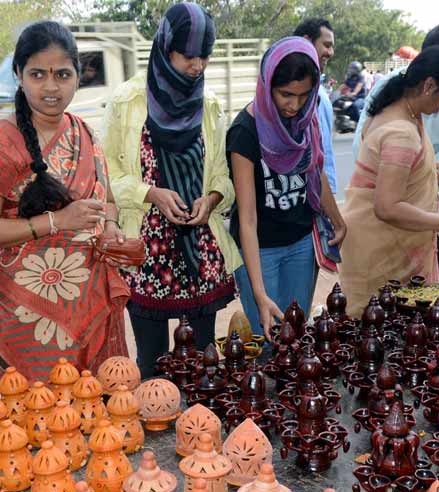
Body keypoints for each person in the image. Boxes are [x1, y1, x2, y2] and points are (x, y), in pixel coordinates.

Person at [0, 21, 130, 381]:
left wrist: (112, 227)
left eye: (62, 74)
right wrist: (58, 222)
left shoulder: (83, 131)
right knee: (41, 421)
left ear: (77, 76)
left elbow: (108, 201)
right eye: (38, 74)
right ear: (19, 75)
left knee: (103, 416)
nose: (51, 87)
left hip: (92, 303)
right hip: (30, 315)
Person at [101, 2, 238, 378]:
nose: (198, 66)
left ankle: (204, 428)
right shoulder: (129, 101)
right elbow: (105, 170)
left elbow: (223, 177)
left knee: (203, 362)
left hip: (200, 249)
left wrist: (211, 200)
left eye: (204, 57)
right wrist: (151, 194)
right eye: (189, 56)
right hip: (148, 253)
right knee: (153, 367)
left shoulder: (208, 105)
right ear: (165, 49)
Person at [339, 46, 439, 317]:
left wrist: (426, 169)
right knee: (383, 331)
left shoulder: (400, 113)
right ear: (429, 85)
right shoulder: (401, 132)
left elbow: (385, 168)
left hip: (379, 243)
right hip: (382, 252)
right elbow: (388, 207)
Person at [227, 37, 347, 339]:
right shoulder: (244, 132)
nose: (294, 105)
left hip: (301, 245)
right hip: (260, 251)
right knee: (266, 337)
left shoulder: (307, 121)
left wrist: (338, 219)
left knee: (294, 335)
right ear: (268, 85)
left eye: (304, 95)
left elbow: (316, 173)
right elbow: (248, 219)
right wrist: (258, 292)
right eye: (285, 95)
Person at [294, 18, 338, 196]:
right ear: (306, 41)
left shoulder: (319, 93)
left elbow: (324, 152)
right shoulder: (307, 95)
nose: (330, 52)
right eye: (326, 45)